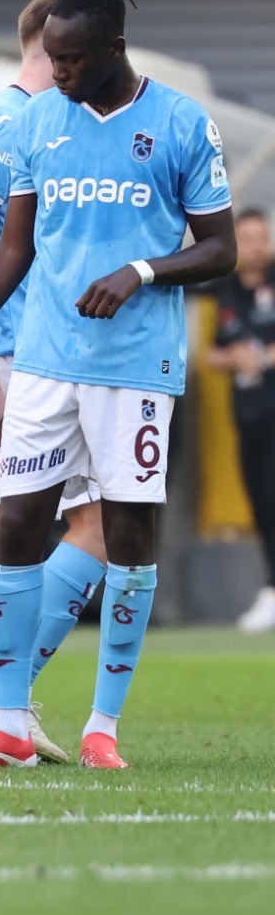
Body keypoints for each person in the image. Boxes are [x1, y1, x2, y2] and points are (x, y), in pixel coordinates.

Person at [0, 0, 237, 769]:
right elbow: (9, 251)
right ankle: (9, 722)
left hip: (136, 367)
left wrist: (142, 272)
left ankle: (102, 727)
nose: (55, 72)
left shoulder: (182, 123)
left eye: (71, 59)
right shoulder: (35, 123)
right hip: (45, 364)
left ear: (115, 47)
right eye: (50, 57)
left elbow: (221, 248)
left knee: (126, 537)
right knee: (15, 527)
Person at [0, 0, 108, 764]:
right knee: (97, 526)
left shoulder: (42, 119)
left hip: (35, 356)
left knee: (0, 529)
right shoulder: (9, 120)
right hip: (16, 361)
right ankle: (0, 699)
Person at [203, 208, 275, 634]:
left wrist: (262, 357)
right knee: (261, 502)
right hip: (247, 414)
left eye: (260, 237)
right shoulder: (226, 289)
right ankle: (270, 588)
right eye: (246, 238)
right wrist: (233, 357)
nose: (255, 246)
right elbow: (212, 353)